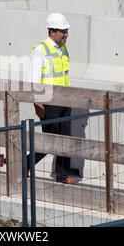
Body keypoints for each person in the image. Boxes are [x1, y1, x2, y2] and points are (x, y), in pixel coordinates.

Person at [27, 13, 77, 184]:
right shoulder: (39, 51)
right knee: (49, 141)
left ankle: (63, 174)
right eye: (63, 31)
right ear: (52, 32)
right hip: (49, 104)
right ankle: (25, 164)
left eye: (66, 31)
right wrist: (37, 103)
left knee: (66, 139)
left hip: (64, 101)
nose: (66, 34)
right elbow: (34, 81)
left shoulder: (63, 49)